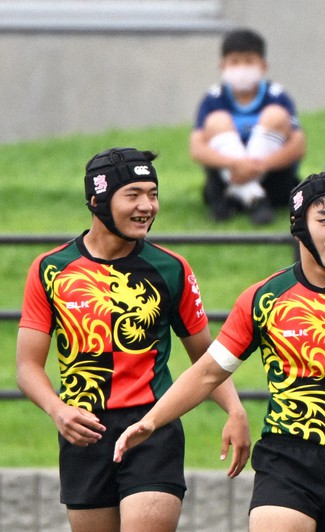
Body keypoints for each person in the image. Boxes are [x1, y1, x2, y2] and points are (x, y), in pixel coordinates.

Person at [113, 173, 325, 531]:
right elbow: (209, 372)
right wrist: (150, 420)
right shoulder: (265, 297)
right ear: (298, 225)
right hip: (285, 457)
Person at [15, 148, 251, 532]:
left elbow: (206, 356)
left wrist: (235, 410)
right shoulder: (50, 269)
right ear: (97, 200)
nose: (148, 206)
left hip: (152, 428)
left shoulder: (170, 268)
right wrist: (59, 411)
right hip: (84, 434)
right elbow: (27, 368)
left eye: (153, 194)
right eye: (134, 195)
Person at [191, 28, 306, 225]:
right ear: (222, 66)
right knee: (217, 120)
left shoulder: (277, 96)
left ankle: (240, 196)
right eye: (235, 62)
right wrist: (236, 165)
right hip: (226, 176)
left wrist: (258, 166)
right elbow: (197, 148)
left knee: (275, 116)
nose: (242, 68)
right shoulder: (213, 99)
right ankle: (255, 199)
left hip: (273, 179)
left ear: (263, 65)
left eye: (249, 61)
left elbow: (298, 145)